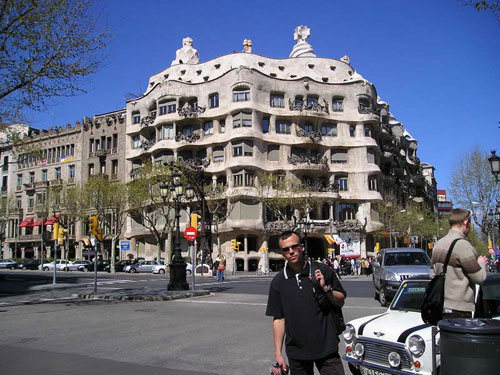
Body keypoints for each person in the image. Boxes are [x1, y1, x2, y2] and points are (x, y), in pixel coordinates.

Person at [266, 231, 346, 375]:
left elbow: (341, 300)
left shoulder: (322, 270)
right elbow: (278, 319)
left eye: (294, 247)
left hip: (327, 347)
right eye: (286, 249)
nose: (291, 252)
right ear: (282, 253)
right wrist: (278, 354)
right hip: (297, 352)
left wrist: (325, 288)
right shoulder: (278, 282)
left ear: (302, 247)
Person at [430, 208, 488, 319]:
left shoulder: (438, 245)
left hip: (440, 305)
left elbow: (432, 273)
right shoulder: (463, 246)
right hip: (459, 308)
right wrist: (481, 263)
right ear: (466, 222)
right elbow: (479, 278)